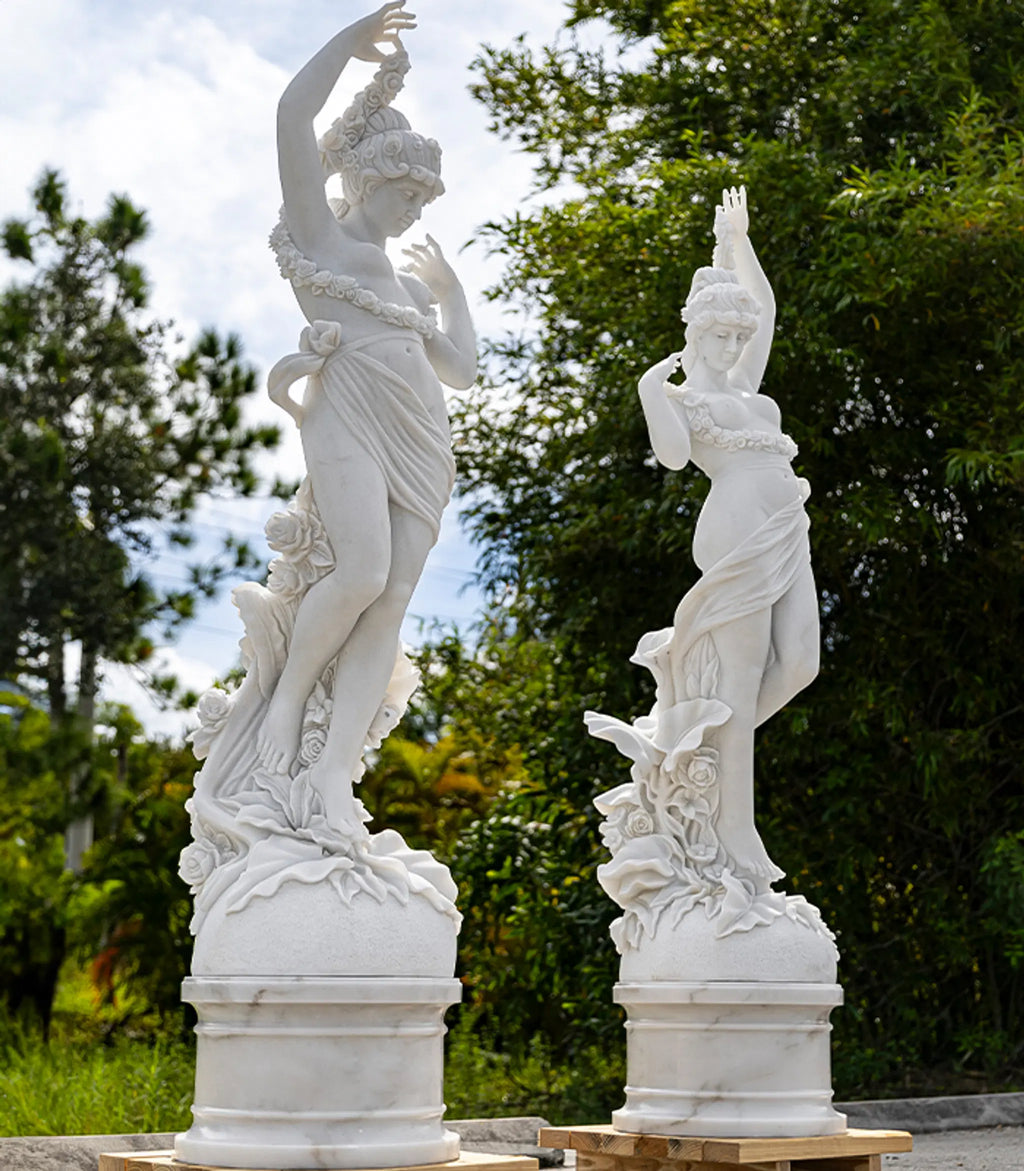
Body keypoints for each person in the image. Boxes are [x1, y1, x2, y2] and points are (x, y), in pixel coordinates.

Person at [253, 1, 477, 833]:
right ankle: (285, 709)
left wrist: (453, 296)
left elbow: (462, 369)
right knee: (359, 572)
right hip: (347, 413)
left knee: (392, 599)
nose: (416, 207)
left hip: (424, 441)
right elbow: (290, 115)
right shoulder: (325, 246)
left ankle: (337, 772)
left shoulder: (413, 288)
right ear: (366, 180)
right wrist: (350, 47)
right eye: (406, 191)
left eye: (424, 195)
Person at [634, 186, 819, 886]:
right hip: (735, 528)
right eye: (721, 333)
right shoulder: (685, 396)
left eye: (737, 336)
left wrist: (736, 241)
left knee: (800, 662)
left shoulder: (750, 389)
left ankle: (700, 752)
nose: (735, 343)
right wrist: (654, 392)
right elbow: (676, 457)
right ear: (693, 330)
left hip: (785, 525)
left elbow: (765, 308)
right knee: (739, 678)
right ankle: (733, 828)